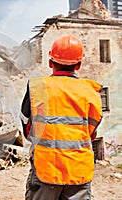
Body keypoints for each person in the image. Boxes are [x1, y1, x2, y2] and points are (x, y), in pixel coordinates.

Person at [21, 35, 103, 200]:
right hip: (78, 170)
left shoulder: (37, 88)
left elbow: (27, 128)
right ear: (78, 65)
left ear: (51, 63)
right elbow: (91, 132)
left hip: (46, 168)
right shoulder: (91, 91)